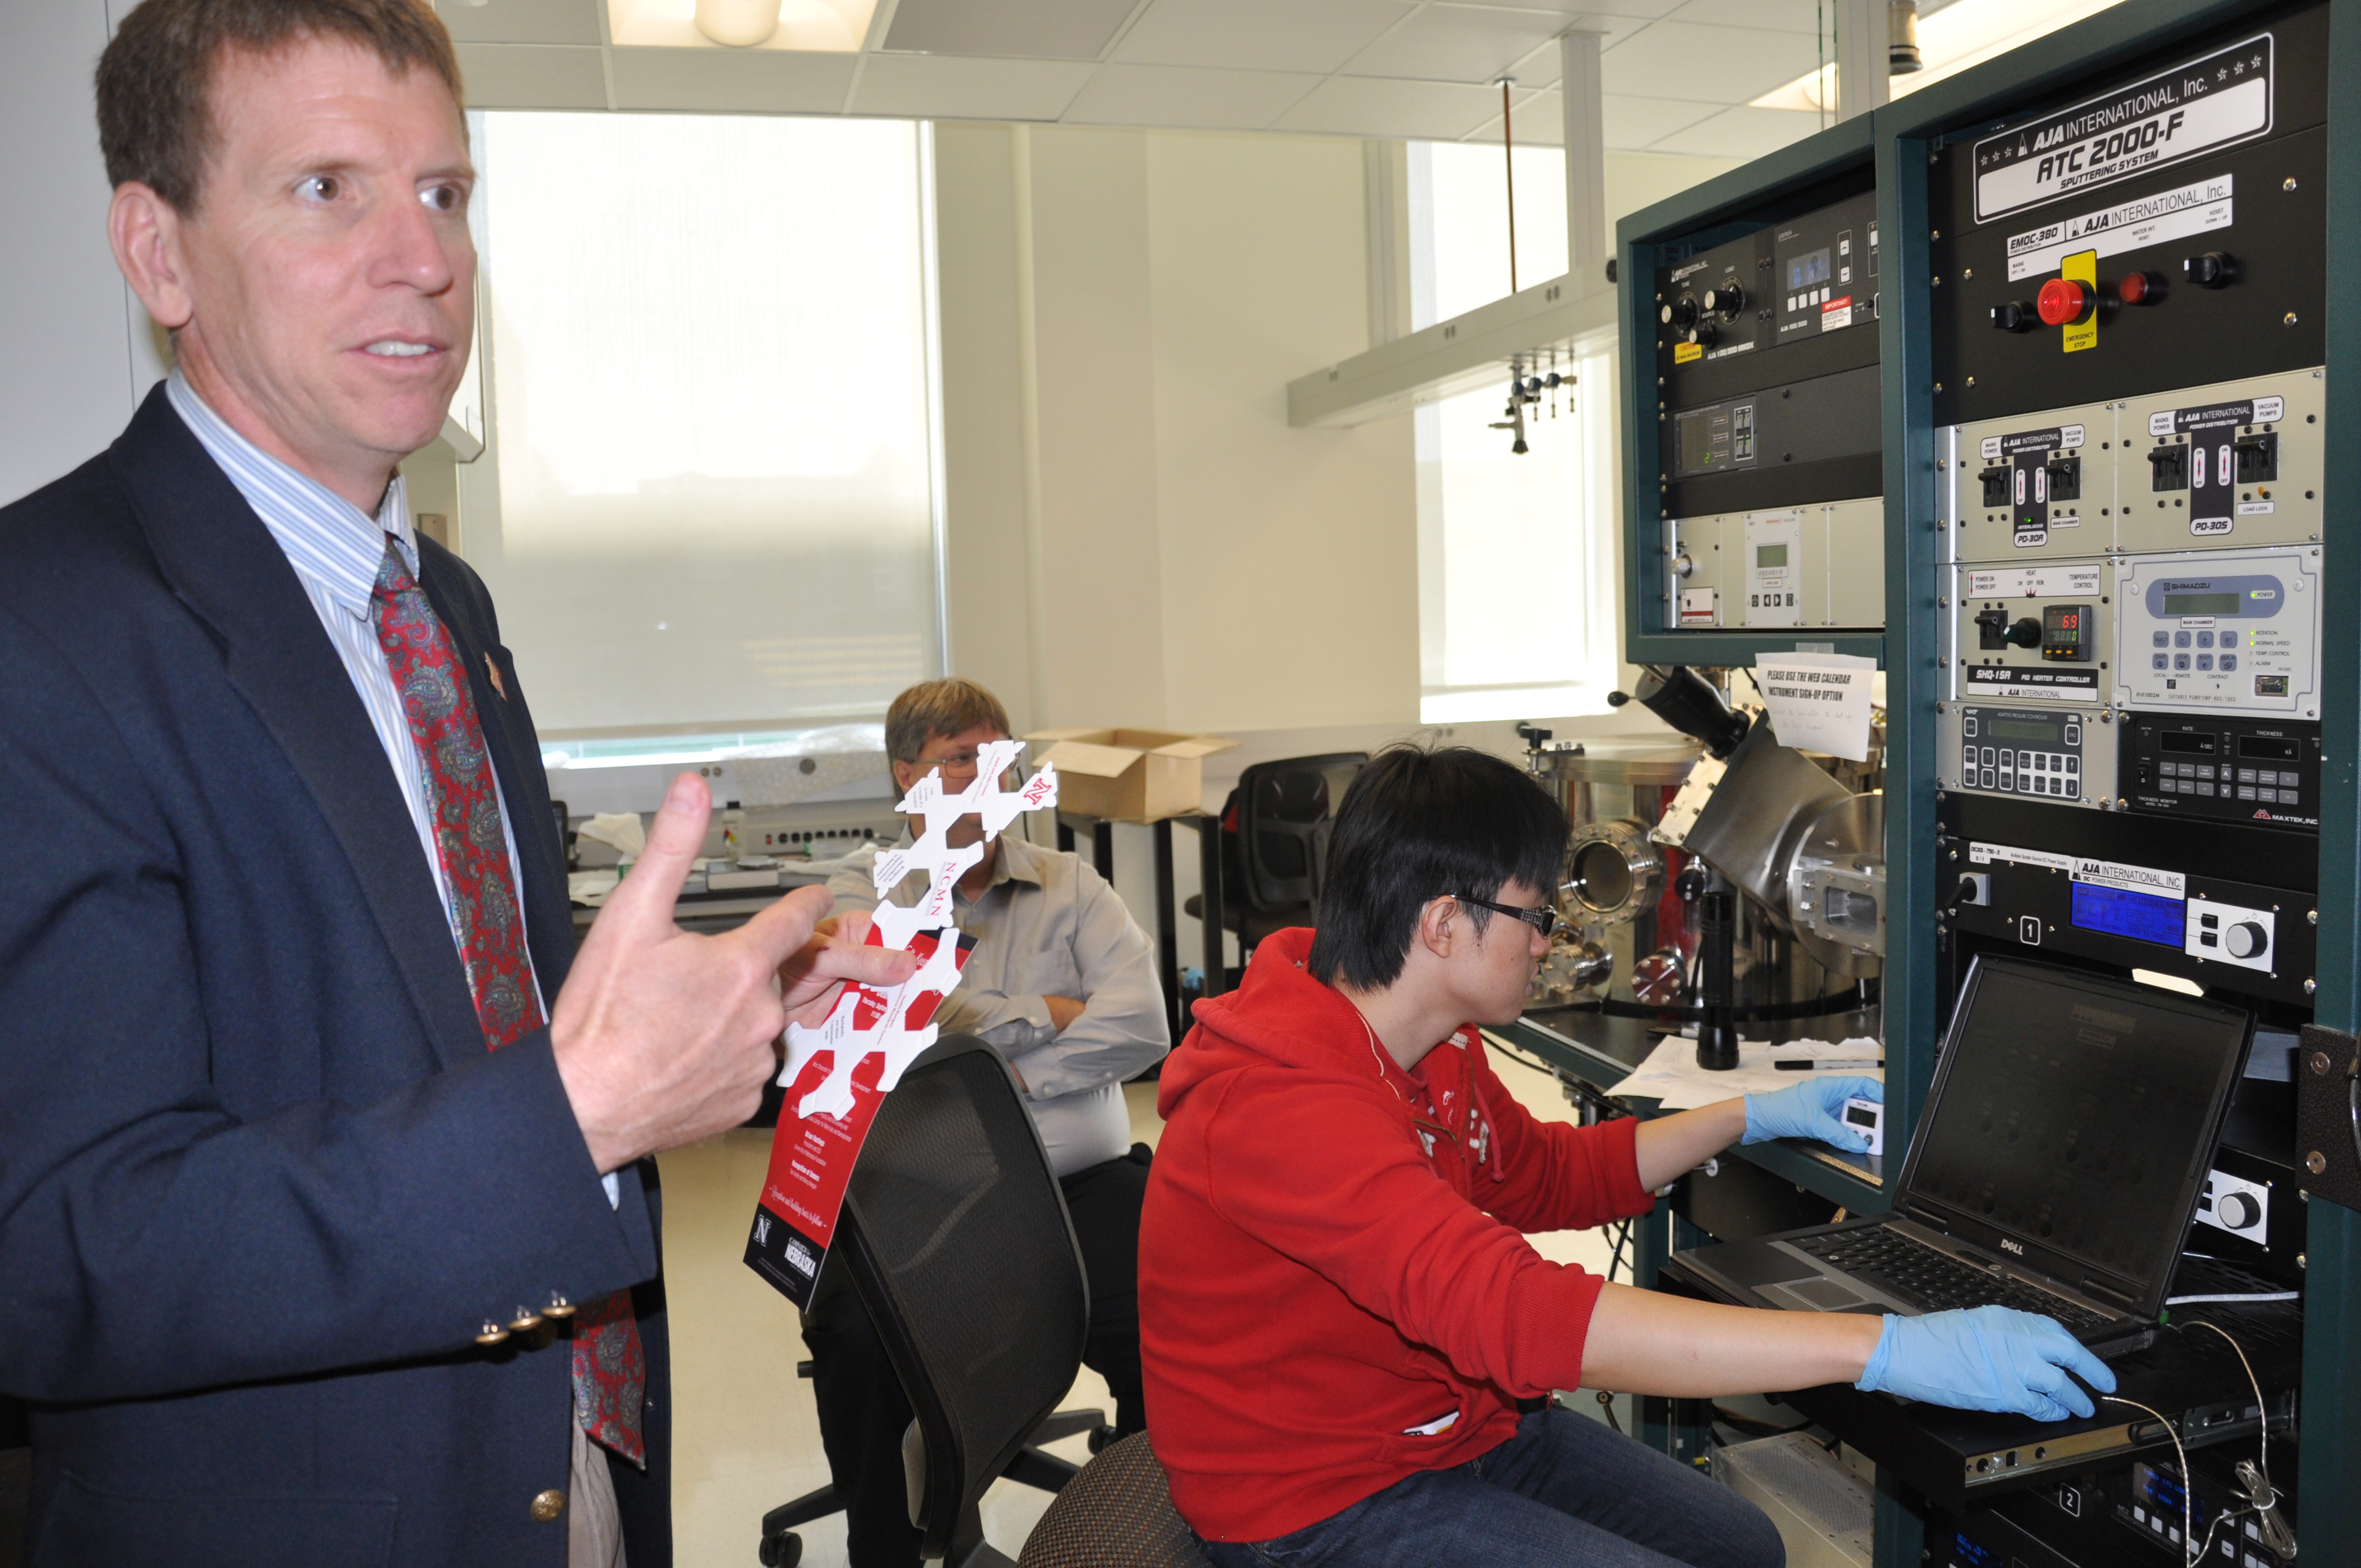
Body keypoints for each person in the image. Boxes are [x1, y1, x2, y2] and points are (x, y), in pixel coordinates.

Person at [0, 4, 913, 1565]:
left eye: (446, 194)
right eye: (325, 190)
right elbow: (58, 1254)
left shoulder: (446, 613)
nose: (422, 257)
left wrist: (741, 1017)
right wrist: (573, 1120)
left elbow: (481, 1012)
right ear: (158, 257)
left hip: (575, 1454)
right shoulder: (43, 626)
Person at [1139, 746, 2117, 1566]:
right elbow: (1511, 1313)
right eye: (1534, 917)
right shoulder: (1279, 1102)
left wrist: (1752, 1117)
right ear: (1443, 924)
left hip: (1447, 1424)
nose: (1548, 943)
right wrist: (1880, 1347)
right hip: (1315, 1494)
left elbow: (1543, 1176)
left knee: (1744, 1547)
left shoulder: (1429, 1043)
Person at [810, 677, 1169, 1567]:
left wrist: (982, 1061)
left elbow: (1146, 1026)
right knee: (855, 1338)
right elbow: (911, 1017)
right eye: (959, 758)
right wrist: (1053, 1010)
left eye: (997, 757)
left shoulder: (1071, 885)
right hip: (916, 1195)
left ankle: (1145, 1530)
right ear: (907, 778)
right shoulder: (865, 890)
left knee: (1175, 1304)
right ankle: (886, 1551)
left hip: (1073, 1183)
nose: (986, 777)